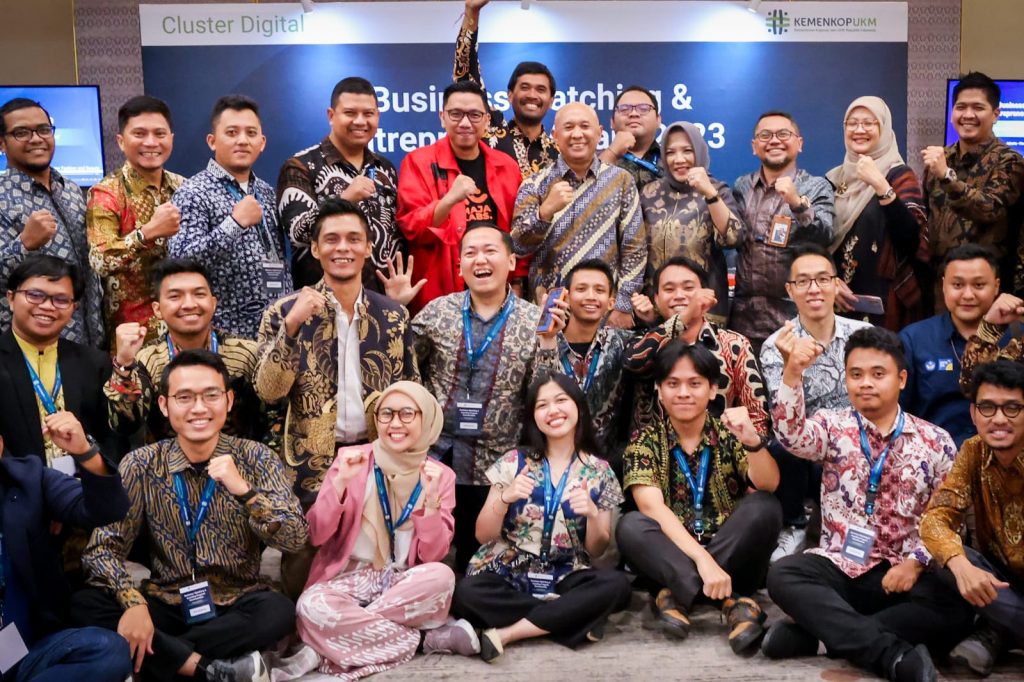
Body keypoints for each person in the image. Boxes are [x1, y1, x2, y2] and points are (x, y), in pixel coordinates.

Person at [72, 350, 308, 682]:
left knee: (278, 612)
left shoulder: (256, 457)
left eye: (211, 395)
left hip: (238, 600)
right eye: (184, 397)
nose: (199, 408)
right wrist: (133, 603)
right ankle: (207, 668)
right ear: (164, 405)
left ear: (228, 400)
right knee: (85, 603)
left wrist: (245, 491)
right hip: (168, 601)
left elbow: (295, 538)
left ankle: (164, 657)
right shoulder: (142, 464)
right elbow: (102, 549)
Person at [764, 327, 973, 682]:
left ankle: (822, 638)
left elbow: (951, 518)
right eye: (856, 374)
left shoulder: (935, 441)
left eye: (878, 374)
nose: (865, 384)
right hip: (842, 568)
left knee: (958, 608)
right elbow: (791, 437)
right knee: (784, 574)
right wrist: (792, 372)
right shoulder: (832, 426)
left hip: (905, 575)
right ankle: (892, 655)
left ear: (901, 379)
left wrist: (916, 563)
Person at [255, 198, 418, 596]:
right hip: (309, 463)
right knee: (303, 574)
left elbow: (411, 392)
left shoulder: (393, 316)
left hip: (377, 458)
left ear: (368, 247)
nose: (342, 248)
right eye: (331, 239)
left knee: (375, 565)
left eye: (353, 239)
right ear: (315, 248)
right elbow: (269, 392)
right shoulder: (283, 312)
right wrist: (291, 328)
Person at [274, 381, 477, 680]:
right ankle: (424, 639)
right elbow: (316, 534)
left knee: (443, 577)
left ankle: (325, 645)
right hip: (348, 578)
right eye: (386, 414)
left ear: (426, 419)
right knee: (311, 606)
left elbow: (432, 556)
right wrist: (340, 484)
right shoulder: (352, 459)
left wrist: (432, 500)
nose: (395, 423)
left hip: (403, 582)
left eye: (407, 414)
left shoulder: (440, 475)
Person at [411, 223, 563, 570]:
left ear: (511, 262)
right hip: (436, 460)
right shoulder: (436, 312)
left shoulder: (535, 320)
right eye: (471, 253)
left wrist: (548, 342)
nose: (480, 260)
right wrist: (397, 307)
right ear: (459, 267)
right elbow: (405, 372)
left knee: (476, 564)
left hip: (497, 469)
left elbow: (545, 394)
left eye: (490, 251)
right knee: (426, 558)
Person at [452, 373, 631, 661]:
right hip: (509, 570)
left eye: (561, 400)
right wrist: (506, 498)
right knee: (466, 594)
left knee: (617, 587)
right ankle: (569, 618)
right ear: (533, 416)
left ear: (578, 406)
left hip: (566, 572)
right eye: (542, 405)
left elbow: (596, 549)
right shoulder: (514, 461)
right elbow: (483, 535)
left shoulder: (600, 471)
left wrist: (593, 513)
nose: (553, 411)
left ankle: (508, 633)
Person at [617, 342, 781, 653]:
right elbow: (651, 507)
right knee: (631, 525)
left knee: (765, 506)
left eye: (694, 384)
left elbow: (769, 483)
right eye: (673, 384)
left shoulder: (729, 433)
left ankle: (678, 596)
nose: (683, 393)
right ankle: (733, 602)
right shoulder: (644, 441)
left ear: (712, 389)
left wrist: (752, 441)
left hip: (730, 552)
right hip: (672, 555)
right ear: (659, 390)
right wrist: (703, 561)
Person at [0, 414, 132, 681]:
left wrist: (85, 452)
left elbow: (107, 510)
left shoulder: (28, 478)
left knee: (109, 650)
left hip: (26, 648)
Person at [760, 244, 871, 560]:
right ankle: (795, 524)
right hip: (810, 451)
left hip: (861, 447)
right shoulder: (777, 345)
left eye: (823, 279)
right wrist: (791, 368)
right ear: (790, 290)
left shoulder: (864, 336)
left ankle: (862, 535)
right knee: (781, 445)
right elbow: (785, 421)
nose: (814, 289)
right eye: (803, 281)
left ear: (836, 284)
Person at [105, 258, 279, 446]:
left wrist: (259, 460)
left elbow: (277, 416)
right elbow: (124, 425)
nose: (189, 304)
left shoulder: (246, 354)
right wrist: (123, 364)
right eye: (175, 296)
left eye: (199, 294)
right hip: (169, 462)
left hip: (240, 460)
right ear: (157, 309)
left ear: (213, 303)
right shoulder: (147, 360)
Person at [920, 359, 1024, 676]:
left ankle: (998, 630)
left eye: (1013, 408)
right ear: (973, 413)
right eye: (987, 407)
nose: (999, 419)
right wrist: (960, 564)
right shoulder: (973, 451)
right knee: (943, 557)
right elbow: (936, 517)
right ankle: (1003, 627)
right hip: (1003, 581)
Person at [511, 102, 645, 327]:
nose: (577, 134)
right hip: (549, 310)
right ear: (554, 135)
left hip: (603, 311)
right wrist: (544, 212)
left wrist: (623, 305)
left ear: (600, 133)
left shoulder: (620, 181)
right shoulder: (535, 183)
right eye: (568, 127)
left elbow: (635, 248)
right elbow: (517, 247)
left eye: (584, 126)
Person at [169, 94, 291, 339]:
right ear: (212, 141)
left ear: (262, 142)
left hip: (275, 330)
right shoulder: (193, 193)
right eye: (232, 133)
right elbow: (180, 263)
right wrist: (234, 224)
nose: (242, 140)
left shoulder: (267, 192)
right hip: (224, 335)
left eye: (251, 133)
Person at [396, 80, 524, 313]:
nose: (465, 123)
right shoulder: (418, 162)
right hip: (439, 293)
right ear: (442, 117)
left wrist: (517, 280)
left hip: (496, 289)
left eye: (474, 115)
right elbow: (412, 229)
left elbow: (517, 231)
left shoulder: (507, 166)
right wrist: (449, 200)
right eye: (456, 114)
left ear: (487, 120)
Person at [625, 257, 770, 440]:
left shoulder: (734, 344)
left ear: (706, 294)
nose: (679, 295)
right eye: (669, 289)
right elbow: (632, 362)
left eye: (688, 288)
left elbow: (758, 418)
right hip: (653, 453)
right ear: (656, 299)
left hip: (721, 451)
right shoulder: (645, 341)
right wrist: (685, 316)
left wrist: (748, 445)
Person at [277, 76, 402, 289]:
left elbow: (396, 236)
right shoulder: (300, 166)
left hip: (381, 300)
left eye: (368, 114)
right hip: (320, 300)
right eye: (350, 113)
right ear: (331, 115)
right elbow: (297, 234)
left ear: (377, 116)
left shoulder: (385, 168)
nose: (360, 121)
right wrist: (344, 199)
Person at [0, 97, 103, 347]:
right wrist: (24, 244)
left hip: (90, 341)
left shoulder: (72, 191)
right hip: (27, 347)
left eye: (43, 129)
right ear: (2, 143)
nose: (36, 139)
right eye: (22, 132)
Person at [730, 110, 835, 352]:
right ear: (754, 146)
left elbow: (826, 236)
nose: (774, 140)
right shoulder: (742, 186)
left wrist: (797, 204)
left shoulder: (816, 186)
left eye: (783, 134)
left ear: (799, 143)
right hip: (744, 318)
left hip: (795, 317)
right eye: (765, 135)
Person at [0, 255, 117, 466]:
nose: (47, 306)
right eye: (35, 295)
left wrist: (92, 465)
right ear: (11, 299)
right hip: (14, 484)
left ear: (74, 308)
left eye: (61, 300)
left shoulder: (93, 363)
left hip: (85, 482)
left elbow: (112, 438)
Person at [87, 95, 184, 344]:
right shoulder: (107, 193)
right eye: (139, 134)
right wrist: (146, 233)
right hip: (134, 333)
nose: (151, 142)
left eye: (159, 134)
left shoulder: (185, 187)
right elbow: (100, 260)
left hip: (186, 322)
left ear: (171, 138)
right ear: (121, 141)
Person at [827, 96, 928, 330]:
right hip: (838, 302)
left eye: (869, 123)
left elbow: (912, 240)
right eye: (852, 123)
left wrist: (881, 186)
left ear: (883, 128)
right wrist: (828, 279)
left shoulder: (899, 175)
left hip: (885, 304)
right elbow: (818, 238)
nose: (859, 130)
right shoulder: (833, 179)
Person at [922, 72, 1024, 304]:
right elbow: (928, 221)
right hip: (940, 289)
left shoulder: (1010, 161)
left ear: (995, 114)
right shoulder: (940, 159)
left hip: (989, 293)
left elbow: (989, 209)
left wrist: (947, 177)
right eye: (961, 107)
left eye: (978, 107)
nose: (968, 115)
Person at [640, 121, 744, 327]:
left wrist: (709, 194)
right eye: (670, 152)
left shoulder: (718, 190)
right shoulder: (648, 193)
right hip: (657, 309)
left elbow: (734, 238)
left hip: (705, 309)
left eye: (687, 151)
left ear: (699, 150)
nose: (679, 159)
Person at [900, 245, 1005, 448]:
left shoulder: (1015, 337)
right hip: (933, 456)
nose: (968, 295)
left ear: (996, 286)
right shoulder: (915, 339)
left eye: (979, 285)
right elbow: (896, 411)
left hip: (1003, 456)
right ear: (943, 286)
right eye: (957, 285)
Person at [453, 0, 559, 177]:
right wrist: (472, 12)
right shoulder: (490, 130)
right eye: (525, 87)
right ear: (510, 95)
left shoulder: (559, 153)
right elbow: (466, 80)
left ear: (551, 101)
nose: (532, 95)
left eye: (541, 89)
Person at [556, 259, 633, 471]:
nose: (591, 296)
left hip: (606, 467)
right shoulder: (546, 343)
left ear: (611, 302)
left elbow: (660, 344)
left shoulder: (622, 342)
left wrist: (651, 319)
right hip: (552, 464)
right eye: (581, 289)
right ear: (566, 297)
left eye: (599, 290)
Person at [599, 86, 664, 191]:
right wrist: (612, 152)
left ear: (658, 120)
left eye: (643, 109)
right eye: (624, 109)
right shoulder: (593, 160)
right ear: (612, 122)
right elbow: (587, 194)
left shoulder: (672, 160)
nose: (634, 114)